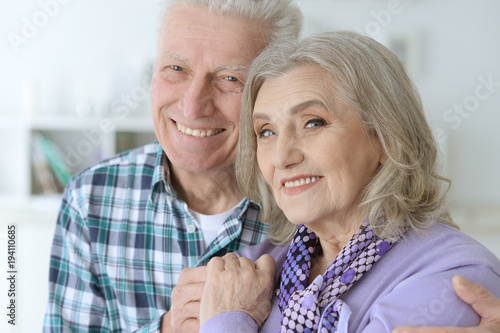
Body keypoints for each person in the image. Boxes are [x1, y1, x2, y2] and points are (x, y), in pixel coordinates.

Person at [43, 0, 500, 331]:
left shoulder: (440, 270)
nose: (192, 103)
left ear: (384, 136)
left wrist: (224, 321)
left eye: (229, 78)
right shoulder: (285, 255)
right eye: (175, 69)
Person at [196, 31, 500, 332]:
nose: (281, 157)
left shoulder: (456, 274)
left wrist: (227, 321)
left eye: (313, 123)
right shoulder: (248, 269)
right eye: (266, 131)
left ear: (385, 138)